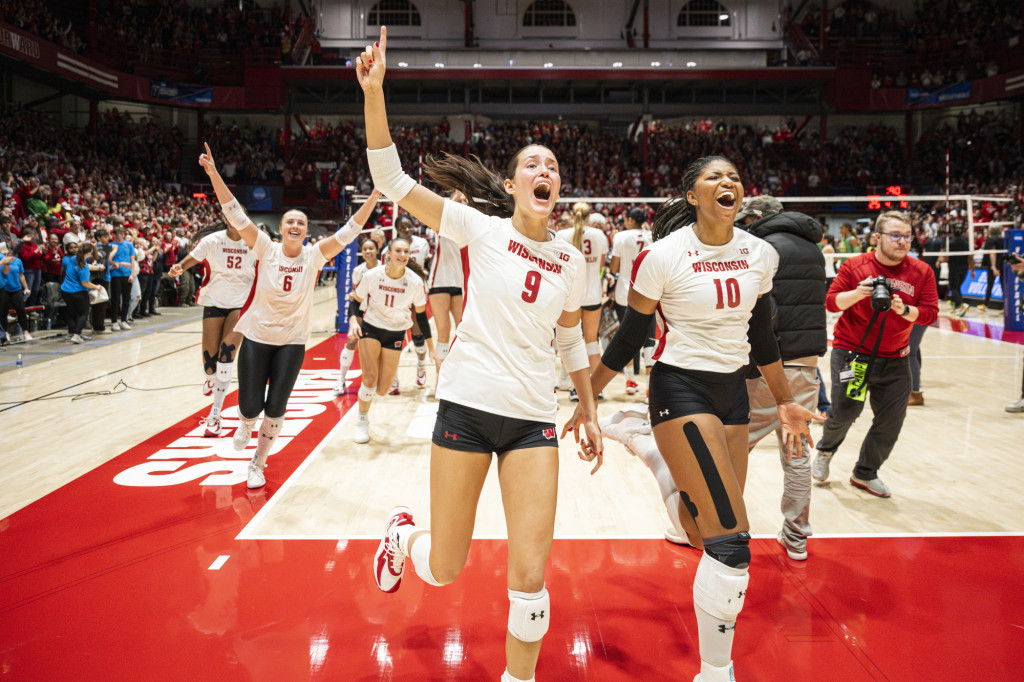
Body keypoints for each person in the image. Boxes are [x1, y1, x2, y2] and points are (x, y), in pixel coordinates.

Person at [357, 28, 601, 682]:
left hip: (531, 421)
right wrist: (374, 92)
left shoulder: (572, 261)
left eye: (552, 165)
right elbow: (391, 178)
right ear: (512, 182)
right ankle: (404, 539)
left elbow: (573, 337)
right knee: (445, 568)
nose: (544, 171)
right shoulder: (479, 229)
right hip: (466, 405)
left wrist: (588, 406)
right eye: (533, 164)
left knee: (530, 575)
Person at [568, 157, 818, 682]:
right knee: (732, 541)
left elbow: (764, 338)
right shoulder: (662, 256)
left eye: (734, 177)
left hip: (733, 394)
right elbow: (631, 337)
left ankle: (649, 447)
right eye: (714, 177)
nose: (728, 183)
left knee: (702, 534)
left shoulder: (761, 254)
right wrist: (587, 399)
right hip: (680, 388)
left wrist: (785, 399)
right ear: (692, 196)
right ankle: (715, 670)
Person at [198, 142, 367, 490]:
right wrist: (214, 173)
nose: (295, 225)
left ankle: (257, 462)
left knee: (276, 409)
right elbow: (234, 212)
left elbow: (350, 231)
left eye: (301, 222)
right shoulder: (265, 247)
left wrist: (376, 195)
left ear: (306, 230)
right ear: (281, 227)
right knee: (249, 407)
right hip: (258, 337)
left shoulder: (315, 254)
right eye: (290, 220)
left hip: (291, 341)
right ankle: (245, 422)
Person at [811, 211, 939, 498]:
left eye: (907, 236)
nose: (903, 241)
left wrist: (904, 310)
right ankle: (826, 450)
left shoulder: (922, 272)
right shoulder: (855, 266)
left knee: (891, 420)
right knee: (845, 412)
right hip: (854, 355)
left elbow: (930, 314)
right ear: (877, 237)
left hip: (896, 358)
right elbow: (831, 303)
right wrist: (858, 294)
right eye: (896, 235)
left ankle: (865, 472)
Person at [736, 195, 828, 561]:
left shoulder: (761, 248)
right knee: (797, 454)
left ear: (757, 217)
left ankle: (725, 529)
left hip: (768, 366)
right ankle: (796, 536)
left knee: (735, 449)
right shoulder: (813, 248)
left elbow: (763, 314)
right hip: (806, 364)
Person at [168, 220, 257, 438]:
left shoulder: (255, 242)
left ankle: (215, 415)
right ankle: (210, 376)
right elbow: (192, 259)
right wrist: (179, 267)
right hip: (214, 299)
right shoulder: (212, 240)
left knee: (226, 353)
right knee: (210, 362)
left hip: (242, 303)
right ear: (227, 219)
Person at [349, 236, 433, 442]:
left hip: (395, 332)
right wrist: (353, 320)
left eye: (406, 252)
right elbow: (356, 300)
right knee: (369, 380)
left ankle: (369, 393)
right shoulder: (372, 275)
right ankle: (362, 421)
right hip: (372, 327)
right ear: (388, 254)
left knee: (384, 388)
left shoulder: (414, 281)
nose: (403, 255)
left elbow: (420, 316)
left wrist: (431, 348)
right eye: (398, 251)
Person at [333, 191, 386, 396]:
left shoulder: (384, 268)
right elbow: (356, 297)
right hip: (363, 313)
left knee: (381, 346)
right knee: (352, 341)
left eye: (371, 249)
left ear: (377, 250)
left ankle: (388, 379)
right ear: (362, 252)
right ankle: (341, 380)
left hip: (380, 313)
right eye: (365, 250)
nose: (368, 252)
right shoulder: (358, 270)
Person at [555, 202, 609, 401]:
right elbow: (602, 266)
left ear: (572, 214)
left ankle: (573, 387)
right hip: (593, 295)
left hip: (570, 296)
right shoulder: (599, 236)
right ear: (589, 216)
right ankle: (598, 388)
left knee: (570, 343)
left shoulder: (562, 235)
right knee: (591, 342)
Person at [608, 207, 654, 395]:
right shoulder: (653, 235)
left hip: (625, 292)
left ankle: (630, 381)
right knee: (650, 338)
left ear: (628, 219)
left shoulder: (620, 237)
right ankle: (651, 385)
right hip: (649, 291)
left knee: (627, 337)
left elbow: (614, 267)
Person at [389, 212, 433, 390]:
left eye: (409, 226)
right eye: (403, 227)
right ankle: (393, 377)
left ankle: (421, 365)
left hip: (417, 292)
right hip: (397, 293)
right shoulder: (390, 247)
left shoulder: (422, 243)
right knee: (394, 335)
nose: (407, 229)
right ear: (397, 229)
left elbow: (429, 263)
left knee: (417, 334)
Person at [426, 190, 468, 373]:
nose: (464, 203)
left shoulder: (469, 226)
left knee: (463, 331)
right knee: (443, 331)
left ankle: (459, 374)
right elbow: (444, 211)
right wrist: (456, 197)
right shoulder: (443, 223)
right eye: (461, 200)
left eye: (466, 201)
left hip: (459, 282)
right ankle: (440, 378)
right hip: (440, 280)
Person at [59, 241, 104, 344]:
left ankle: (73, 332)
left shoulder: (72, 259)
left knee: (72, 313)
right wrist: (96, 287)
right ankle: (76, 335)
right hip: (78, 292)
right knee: (83, 313)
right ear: (88, 253)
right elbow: (85, 283)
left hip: (65, 290)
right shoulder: (83, 267)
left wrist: (98, 268)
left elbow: (88, 265)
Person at [0, 243, 33, 340]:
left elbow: (21, 276)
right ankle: (5, 333)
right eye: (6, 251)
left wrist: (26, 288)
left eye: (9, 251)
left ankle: (25, 332)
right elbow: (5, 272)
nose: (8, 253)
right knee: (3, 312)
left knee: (21, 310)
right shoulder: (2, 259)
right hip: (4, 289)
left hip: (16, 289)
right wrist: (4, 262)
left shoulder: (17, 261)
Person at [108, 226, 137, 331]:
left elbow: (132, 260)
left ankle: (124, 320)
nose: (120, 235)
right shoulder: (111, 245)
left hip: (127, 275)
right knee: (115, 299)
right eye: (118, 233)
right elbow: (108, 260)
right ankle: (114, 321)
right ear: (114, 234)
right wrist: (119, 264)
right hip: (116, 274)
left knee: (126, 299)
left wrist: (132, 274)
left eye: (122, 233)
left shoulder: (129, 245)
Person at [946, 226, 970, 317]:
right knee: (958, 287)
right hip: (964, 267)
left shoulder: (950, 243)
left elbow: (946, 257)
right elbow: (970, 257)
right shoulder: (966, 243)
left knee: (953, 287)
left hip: (954, 267)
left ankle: (962, 304)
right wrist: (972, 268)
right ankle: (957, 308)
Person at [979, 226, 1003, 312]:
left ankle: (985, 305)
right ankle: (1005, 307)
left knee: (990, 285)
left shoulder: (990, 240)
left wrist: (993, 267)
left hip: (993, 266)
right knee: (1004, 287)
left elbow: (992, 252)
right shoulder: (1003, 239)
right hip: (1003, 265)